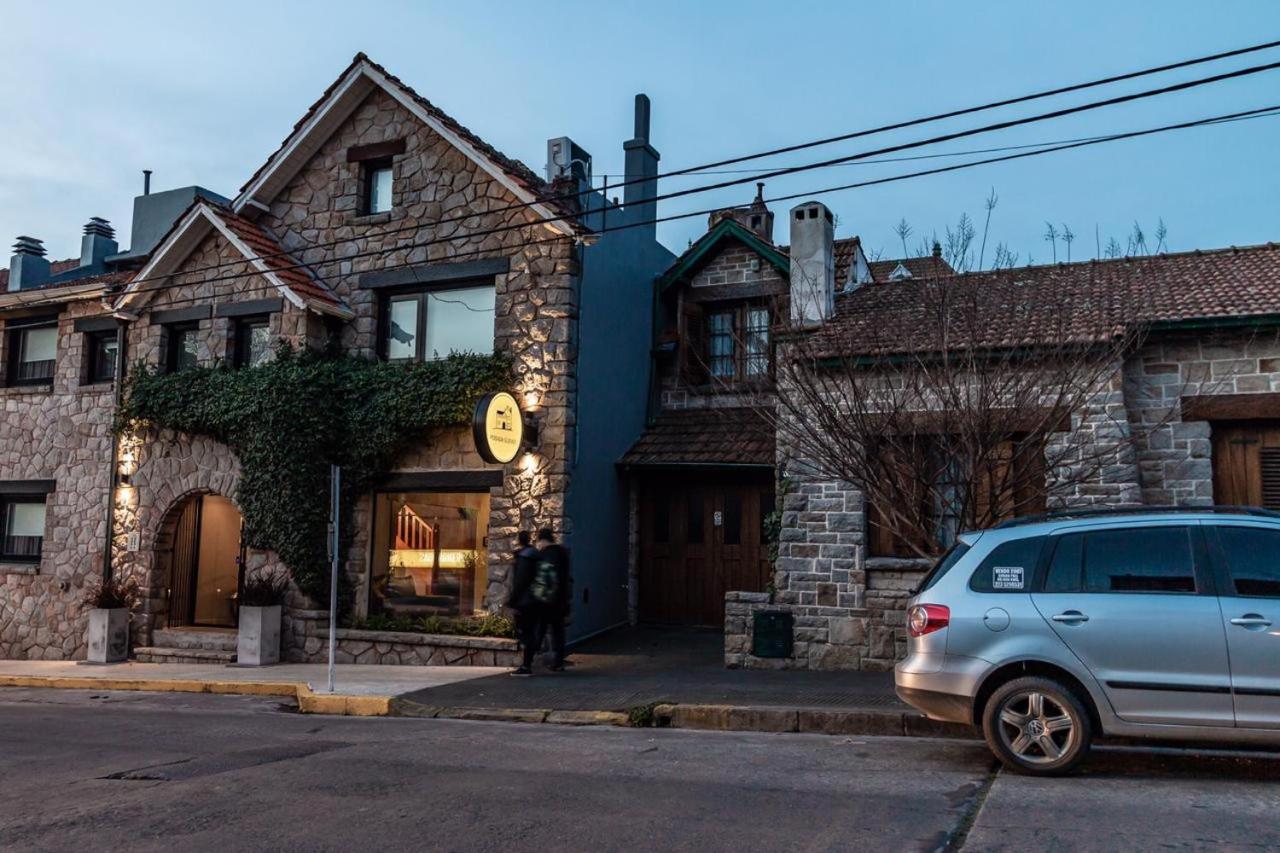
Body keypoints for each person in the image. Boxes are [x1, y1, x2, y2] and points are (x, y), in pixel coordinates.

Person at [532, 527, 571, 672]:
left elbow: (544, 578)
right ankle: (558, 661)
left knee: (540, 628)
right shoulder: (563, 553)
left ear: (542, 540)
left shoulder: (545, 554)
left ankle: (530, 658)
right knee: (558, 631)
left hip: (546, 599)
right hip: (560, 599)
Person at [505, 531, 540, 676]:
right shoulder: (536, 555)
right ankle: (528, 663)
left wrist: (513, 600)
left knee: (525, 633)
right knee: (530, 631)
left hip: (525, 601)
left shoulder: (524, 558)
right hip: (535, 599)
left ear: (520, 540)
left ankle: (526, 666)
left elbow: (520, 581)